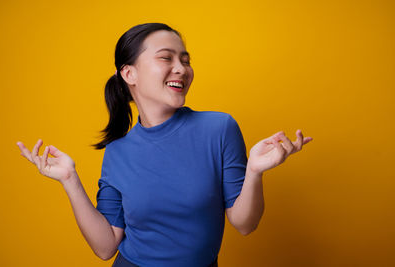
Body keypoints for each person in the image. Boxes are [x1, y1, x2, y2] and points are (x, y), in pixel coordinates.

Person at [16, 23, 313, 267]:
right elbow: (106, 247)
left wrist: (255, 172)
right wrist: (69, 180)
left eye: (185, 59)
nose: (181, 68)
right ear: (129, 73)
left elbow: (245, 224)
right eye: (166, 58)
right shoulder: (118, 151)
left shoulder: (219, 128)